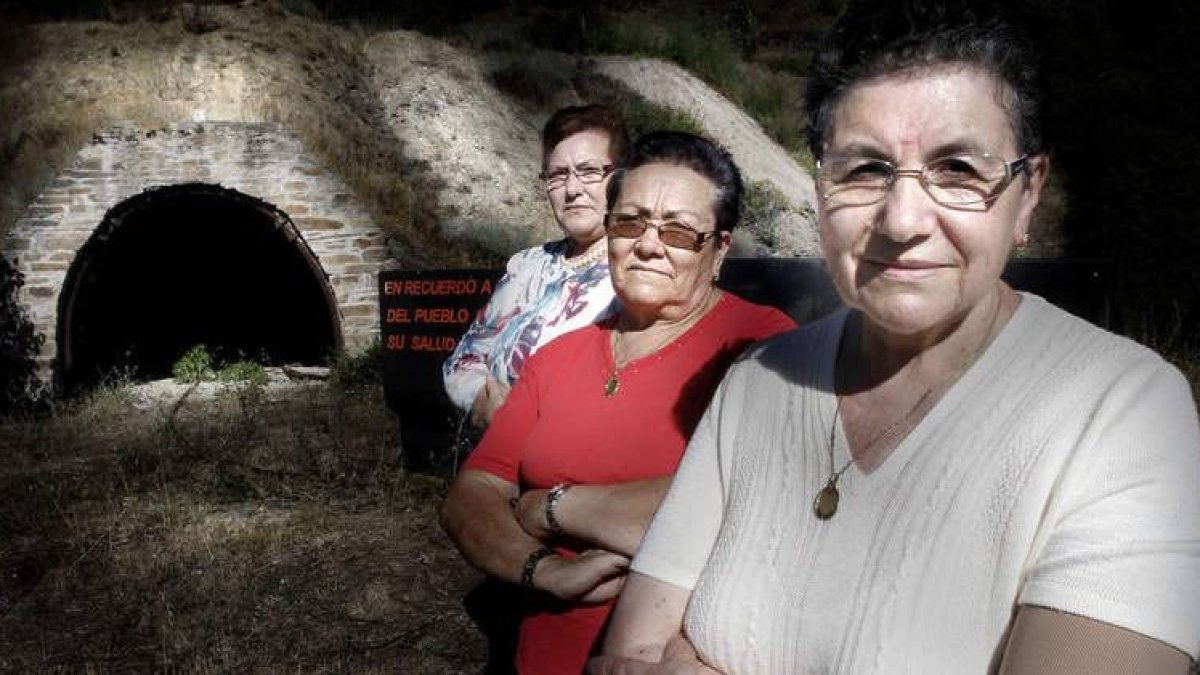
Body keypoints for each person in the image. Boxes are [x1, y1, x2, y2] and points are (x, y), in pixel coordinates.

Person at [593, 2, 1200, 674]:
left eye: (960, 169)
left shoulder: (1124, 411)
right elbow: (631, 653)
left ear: (1028, 193)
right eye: (865, 169)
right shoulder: (758, 380)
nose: (904, 217)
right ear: (821, 190)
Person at [440, 131, 797, 675]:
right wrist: (543, 570)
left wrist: (549, 507)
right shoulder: (558, 356)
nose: (649, 245)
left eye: (678, 232)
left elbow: (751, 507)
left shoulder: (761, 347)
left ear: (720, 249)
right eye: (630, 222)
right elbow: (472, 493)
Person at [443, 104, 628, 429]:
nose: (572, 190)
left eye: (588, 171)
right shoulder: (526, 266)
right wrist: (484, 398)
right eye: (557, 175)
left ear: (621, 176)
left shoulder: (634, 270)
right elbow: (462, 358)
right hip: (495, 458)